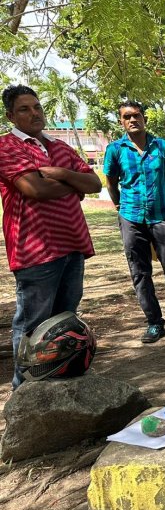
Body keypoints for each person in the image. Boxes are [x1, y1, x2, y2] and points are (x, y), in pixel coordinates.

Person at [0, 85, 102, 389]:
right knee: (32, 325)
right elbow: (36, 190)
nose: (34, 113)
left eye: (37, 107)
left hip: (72, 245)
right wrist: (74, 183)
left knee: (63, 325)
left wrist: (62, 173)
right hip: (36, 251)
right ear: (10, 116)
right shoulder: (7, 147)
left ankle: (58, 386)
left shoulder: (60, 147)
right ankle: (24, 391)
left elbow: (94, 183)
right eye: (24, 109)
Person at [103, 101, 165, 343]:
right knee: (140, 272)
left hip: (160, 216)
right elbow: (111, 182)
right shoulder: (115, 149)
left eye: (136, 115)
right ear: (121, 122)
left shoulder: (162, 146)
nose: (132, 120)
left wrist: (156, 196)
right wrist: (121, 206)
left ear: (144, 118)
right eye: (127, 117)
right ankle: (154, 323)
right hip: (131, 217)